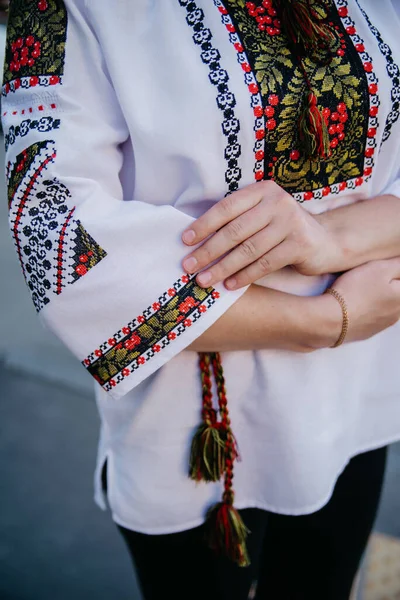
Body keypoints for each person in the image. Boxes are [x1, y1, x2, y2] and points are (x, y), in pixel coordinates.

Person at [3, 0, 400, 598]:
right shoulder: (74, 11)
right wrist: (326, 321)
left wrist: (327, 238)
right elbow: (59, 244)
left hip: (356, 404)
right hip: (197, 441)